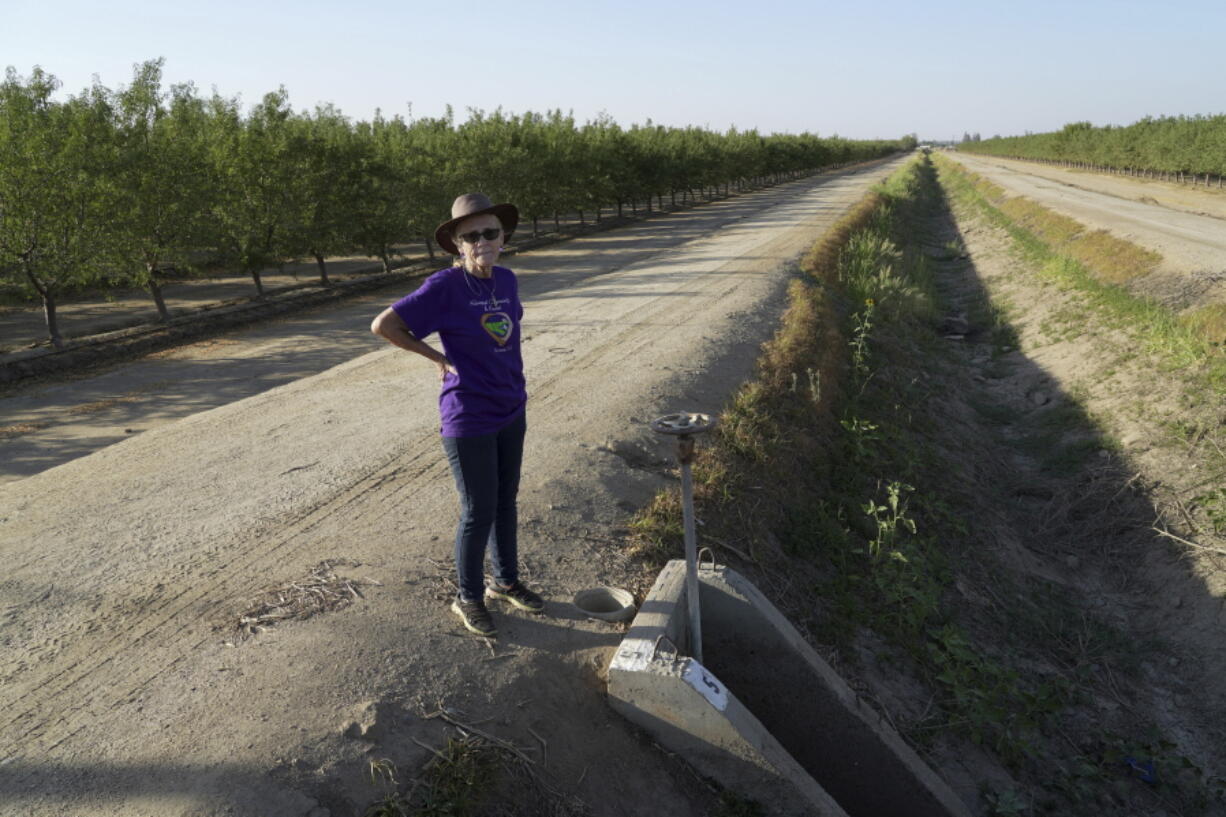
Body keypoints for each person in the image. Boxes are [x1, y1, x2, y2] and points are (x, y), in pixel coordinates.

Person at [370, 193, 543, 638]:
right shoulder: (443, 288)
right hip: (468, 415)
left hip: (510, 406)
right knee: (477, 509)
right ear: (457, 246)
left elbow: (507, 334)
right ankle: (468, 596)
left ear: (503, 238)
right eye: (472, 236)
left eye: (490, 232)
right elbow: (384, 326)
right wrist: (437, 358)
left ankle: (505, 581)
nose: (483, 241)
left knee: (506, 500)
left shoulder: (506, 280)